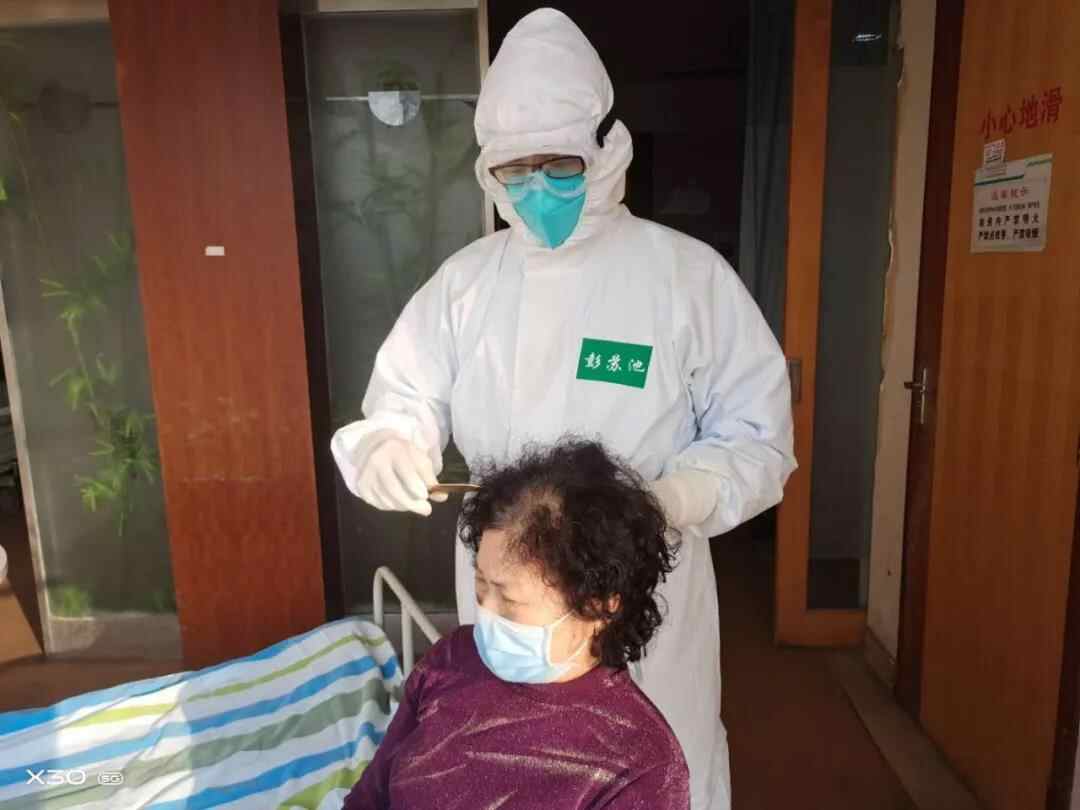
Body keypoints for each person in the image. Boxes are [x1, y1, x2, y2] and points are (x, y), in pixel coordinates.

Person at [331, 8, 796, 808]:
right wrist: (389, 444)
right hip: (509, 586)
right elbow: (403, 397)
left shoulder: (685, 277)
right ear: (489, 172)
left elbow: (758, 438)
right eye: (518, 169)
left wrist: (673, 499)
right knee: (503, 760)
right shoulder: (466, 284)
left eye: (559, 164)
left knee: (656, 760)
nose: (538, 187)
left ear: (604, 151)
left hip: (639, 576)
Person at [342, 439, 690, 809]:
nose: (486, 614)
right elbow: (369, 799)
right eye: (481, 587)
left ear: (598, 606)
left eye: (510, 602)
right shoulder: (452, 660)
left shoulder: (641, 764)